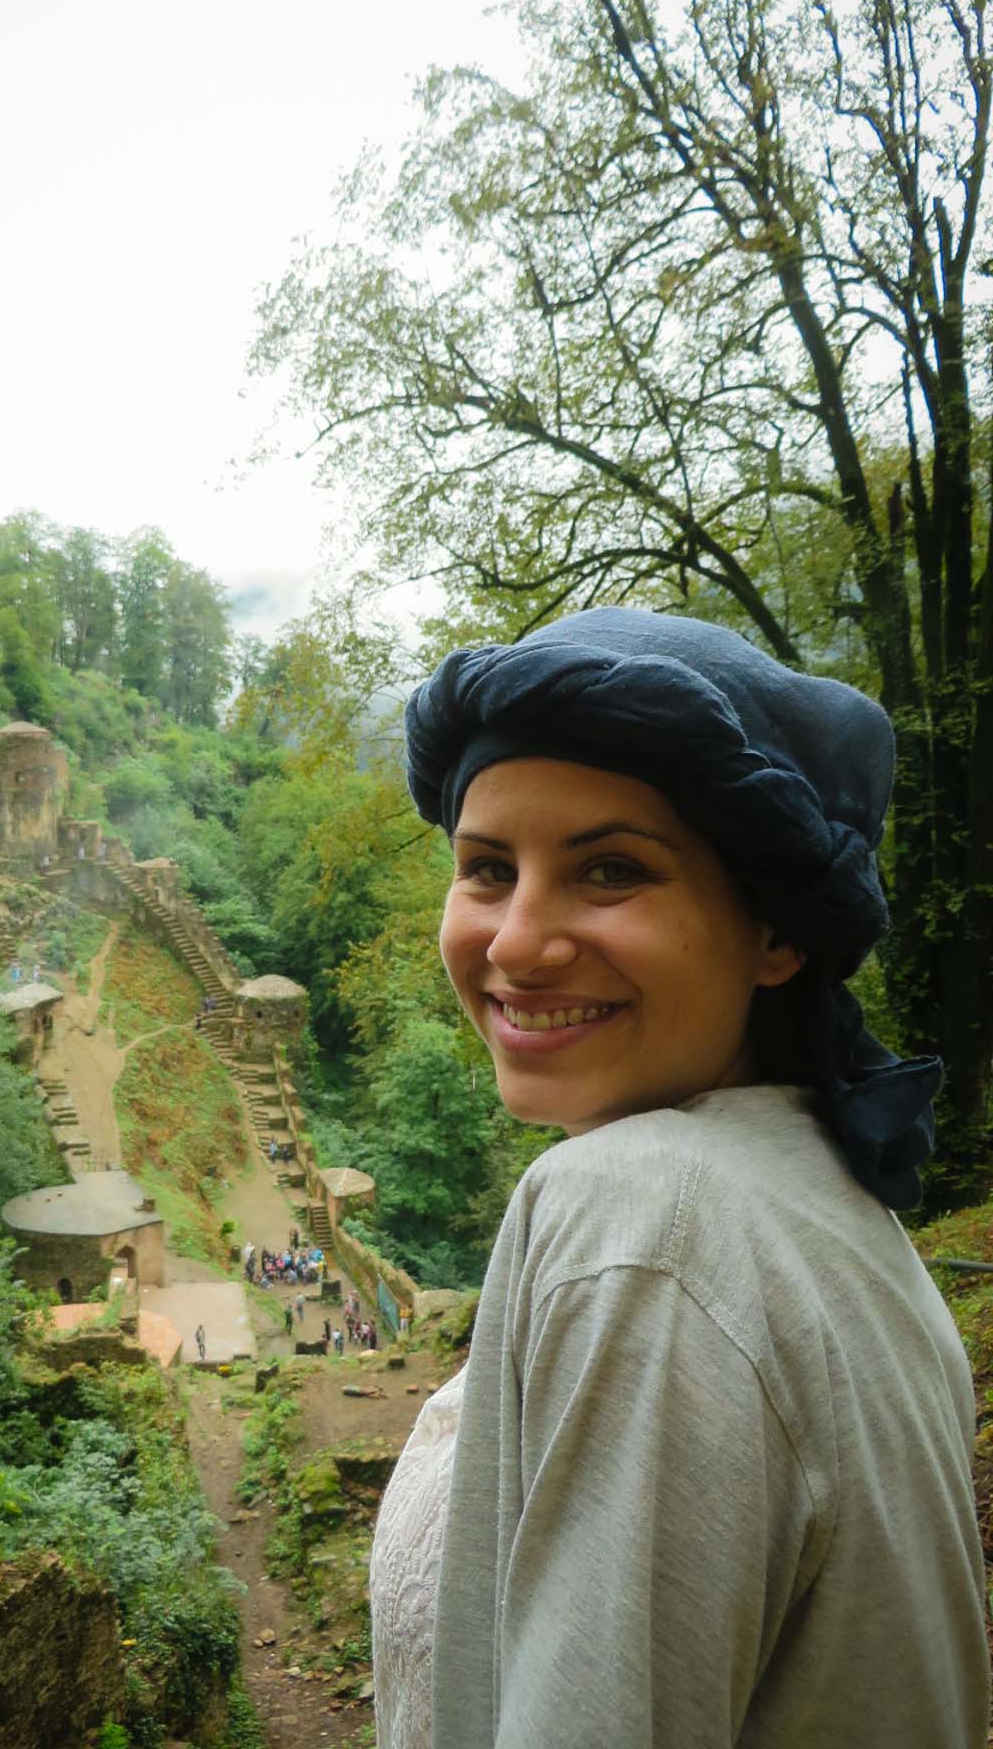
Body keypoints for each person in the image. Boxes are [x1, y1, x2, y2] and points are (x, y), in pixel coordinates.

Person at [371, 608, 988, 1749]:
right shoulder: (824, 1201)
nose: (515, 941)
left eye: (611, 871)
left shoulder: (644, 1219)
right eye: (488, 869)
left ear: (775, 935)